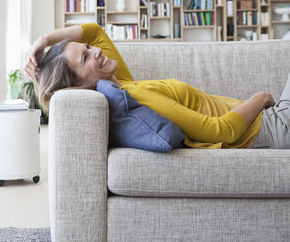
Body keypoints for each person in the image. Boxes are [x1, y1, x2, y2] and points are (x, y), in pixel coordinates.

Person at [24, 23, 290, 149]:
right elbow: (223, 131)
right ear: (79, 85)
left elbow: (94, 32)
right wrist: (261, 96)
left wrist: (44, 39)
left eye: (88, 49)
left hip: (269, 124)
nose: (95, 51)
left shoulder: (122, 83)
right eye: (85, 57)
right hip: (270, 130)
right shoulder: (136, 95)